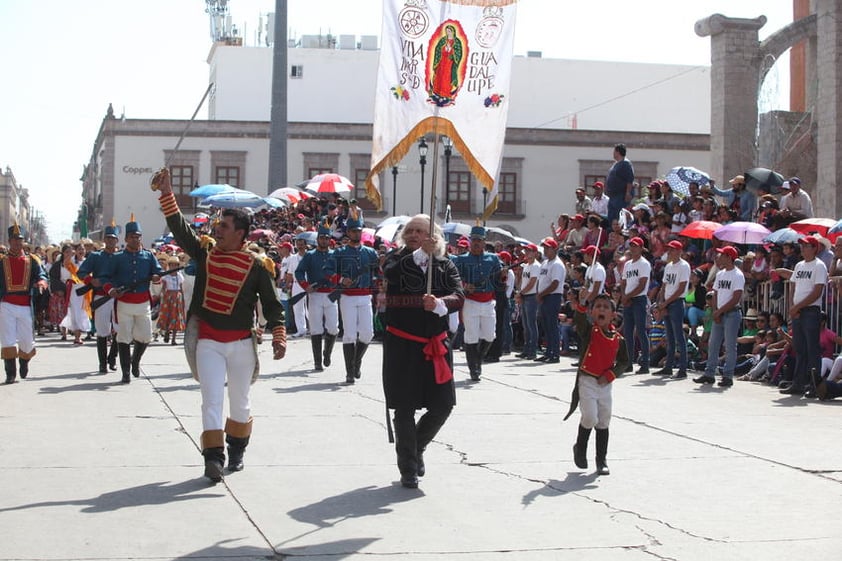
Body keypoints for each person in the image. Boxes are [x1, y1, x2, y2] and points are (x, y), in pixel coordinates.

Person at [156, 171, 286, 483]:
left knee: (240, 401)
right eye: (218, 225)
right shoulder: (205, 253)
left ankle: (237, 450)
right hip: (209, 342)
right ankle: (213, 457)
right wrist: (167, 193)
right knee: (211, 399)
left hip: (242, 343)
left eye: (224, 226)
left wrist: (278, 334)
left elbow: (271, 304)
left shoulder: (258, 266)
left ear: (241, 233)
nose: (218, 229)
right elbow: (180, 228)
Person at [381, 214, 464, 488]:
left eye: (420, 231)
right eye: (411, 231)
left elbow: (458, 296)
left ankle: (417, 448)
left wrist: (440, 303)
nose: (414, 234)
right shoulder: (395, 260)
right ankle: (408, 468)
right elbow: (391, 275)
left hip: (436, 345)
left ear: (434, 237)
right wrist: (417, 254)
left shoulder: (445, 264)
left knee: (443, 405)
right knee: (404, 408)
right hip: (402, 346)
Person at [565, 293, 630, 476]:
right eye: (598, 306)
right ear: (592, 312)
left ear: (613, 315)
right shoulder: (589, 331)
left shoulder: (618, 339)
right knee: (590, 418)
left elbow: (624, 362)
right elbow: (579, 320)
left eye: (606, 307)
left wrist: (610, 375)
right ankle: (580, 447)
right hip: (587, 381)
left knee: (603, 420)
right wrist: (583, 303)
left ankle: (601, 461)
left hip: (604, 384)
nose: (601, 309)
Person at [103, 215, 164, 384]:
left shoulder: (148, 256)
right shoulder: (118, 257)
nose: (135, 240)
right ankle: (126, 372)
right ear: (126, 238)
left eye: (138, 237)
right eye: (132, 237)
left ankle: (135, 360)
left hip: (143, 302)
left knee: (145, 336)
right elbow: (106, 278)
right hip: (124, 302)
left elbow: (157, 272)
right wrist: (112, 290)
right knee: (123, 337)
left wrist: (156, 277)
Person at [325, 204, 379, 384]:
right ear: (348, 232)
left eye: (359, 230)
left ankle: (356, 362)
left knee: (368, 334)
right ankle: (350, 372)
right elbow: (327, 271)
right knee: (349, 334)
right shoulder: (339, 252)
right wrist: (340, 280)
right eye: (353, 231)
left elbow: (378, 273)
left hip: (365, 296)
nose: (356, 233)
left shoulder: (371, 253)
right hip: (347, 297)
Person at [775, 235, 827, 395]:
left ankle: (814, 385)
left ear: (814, 248)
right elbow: (793, 287)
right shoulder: (799, 265)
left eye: (806, 246)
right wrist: (792, 307)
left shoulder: (819, 266)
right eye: (802, 246)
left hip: (811, 310)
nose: (803, 249)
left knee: (812, 349)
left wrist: (797, 306)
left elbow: (817, 292)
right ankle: (798, 383)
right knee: (800, 348)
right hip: (798, 310)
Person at [0, 224, 49, 384]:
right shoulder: (2, 260)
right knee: (7, 339)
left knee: (27, 341)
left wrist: (41, 282)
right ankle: (10, 373)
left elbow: (42, 274)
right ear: (9, 241)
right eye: (14, 240)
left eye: (19, 240)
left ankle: (24, 360)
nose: (17, 243)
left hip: (25, 305)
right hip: (6, 304)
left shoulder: (32, 260)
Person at [451, 225, 500, 381]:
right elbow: (455, 279)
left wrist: (503, 274)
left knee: (490, 336)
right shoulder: (462, 259)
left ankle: (477, 359)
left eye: (479, 240)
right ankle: (474, 369)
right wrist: (465, 286)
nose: (476, 243)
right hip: (471, 302)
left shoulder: (493, 258)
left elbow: (499, 280)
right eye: (474, 240)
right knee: (471, 337)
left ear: (484, 242)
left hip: (488, 302)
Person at [694, 245, 744, 387]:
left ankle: (727, 376)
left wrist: (719, 311)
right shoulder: (721, 274)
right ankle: (709, 373)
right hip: (720, 313)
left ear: (729, 257)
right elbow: (715, 293)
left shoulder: (737, 275)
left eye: (722, 255)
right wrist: (715, 310)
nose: (719, 257)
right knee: (713, 344)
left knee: (729, 346)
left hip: (732, 313)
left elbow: (736, 298)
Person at [295, 219, 339, 372]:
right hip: (315, 295)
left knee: (333, 328)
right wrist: (306, 286)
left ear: (330, 240)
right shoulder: (310, 255)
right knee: (315, 328)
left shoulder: (335, 255)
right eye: (322, 237)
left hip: (331, 294)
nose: (324, 240)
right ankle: (317, 361)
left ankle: (327, 353)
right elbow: (299, 272)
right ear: (318, 238)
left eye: (327, 238)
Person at [77, 221, 120, 373]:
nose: (110, 241)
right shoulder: (95, 256)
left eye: (113, 238)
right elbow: (81, 272)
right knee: (102, 331)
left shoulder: (122, 256)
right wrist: (90, 280)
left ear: (117, 240)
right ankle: (103, 363)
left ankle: (112, 358)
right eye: (108, 238)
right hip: (101, 296)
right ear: (104, 240)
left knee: (120, 330)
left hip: (119, 297)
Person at [654, 240, 691, 379]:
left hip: (676, 302)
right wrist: (661, 302)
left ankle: (682, 368)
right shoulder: (669, 266)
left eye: (673, 249)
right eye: (669, 249)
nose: (670, 252)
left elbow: (681, 288)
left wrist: (666, 303)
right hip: (667, 302)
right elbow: (664, 286)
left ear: (679, 251)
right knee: (669, 336)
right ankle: (668, 366)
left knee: (679, 336)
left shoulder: (684, 266)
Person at [620, 237, 651, 374]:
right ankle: (629, 362)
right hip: (628, 300)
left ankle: (645, 363)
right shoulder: (628, 264)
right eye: (631, 246)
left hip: (638, 299)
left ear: (641, 248)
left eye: (636, 246)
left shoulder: (644, 264)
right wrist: (623, 295)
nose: (633, 249)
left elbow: (642, 284)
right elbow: (623, 282)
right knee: (627, 332)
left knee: (640, 331)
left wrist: (628, 296)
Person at [534, 237, 566, 363]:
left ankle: (555, 353)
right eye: (545, 248)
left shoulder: (557, 264)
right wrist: (539, 293)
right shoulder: (545, 263)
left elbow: (555, 283)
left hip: (553, 296)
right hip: (544, 296)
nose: (546, 250)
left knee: (552, 326)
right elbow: (540, 280)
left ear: (554, 249)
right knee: (546, 326)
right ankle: (548, 351)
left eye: (548, 248)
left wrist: (541, 294)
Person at [516, 243, 540, 360]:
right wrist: (519, 291)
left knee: (531, 324)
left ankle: (533, 350)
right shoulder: (526, 266)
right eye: (526, 251)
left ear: (535, 253)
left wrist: (521, 292)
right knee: (525, 324)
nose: (527, 253)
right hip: (525, 295)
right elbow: (523, 281)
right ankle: (526, 349)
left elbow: (532, 282)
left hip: (531, 296)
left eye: (530, 251)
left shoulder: (536, 266)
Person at [283, 236, 309, 338]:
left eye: (302, 244)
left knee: (310, 308)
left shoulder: (310, 256)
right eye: (298, 244)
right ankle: (301, 330)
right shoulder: (293, 258)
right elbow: (290, 273)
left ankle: (314, 328)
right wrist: (287, 285)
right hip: (297, 285)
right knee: (297, 308)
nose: (300, 246)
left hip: (309, 285)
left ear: (305, 245)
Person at [157, 256, 186, 346]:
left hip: (177, 297)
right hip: (168, 297)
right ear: (169, 266)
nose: (174, 267)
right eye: (172, 265)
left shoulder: (180, 276)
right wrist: (162, 297)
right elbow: (163, 288)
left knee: (176, 317)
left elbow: (181, 288)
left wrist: (183, 298)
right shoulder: (166, 276)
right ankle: (167, 332)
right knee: (168, 316)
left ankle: (173, 339)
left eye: (175, 265)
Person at [605, 143, 634, 222]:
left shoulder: (625, 164)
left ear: (618, 152)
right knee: (611, 218)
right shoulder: (616, 164)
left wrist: (628, 192)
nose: (613, 153)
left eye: (614, 151)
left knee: (619, 217)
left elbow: (629, 179)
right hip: (613, 196)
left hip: (620, 195)